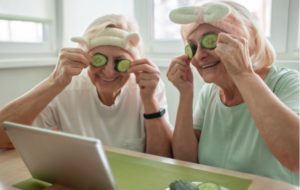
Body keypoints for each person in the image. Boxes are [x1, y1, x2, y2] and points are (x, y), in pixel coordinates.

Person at [0, 14, 172, 157]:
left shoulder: (147, 86)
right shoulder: (66, 86)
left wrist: (150, 101)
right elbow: (3, 137)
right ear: (85, 58)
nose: (109, 72)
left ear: (134, 62)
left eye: (120, 61)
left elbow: (162, 158)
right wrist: (54, 80)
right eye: (99, 59)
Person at [167, 0, 299, 185]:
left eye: (211, 41)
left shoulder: (287, 82)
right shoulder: (210, 93)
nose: (198, 56)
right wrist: (185, 94)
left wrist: (243, 74)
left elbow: (296, 157)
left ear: (248, 39)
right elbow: (186, 160)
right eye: (192, 47)